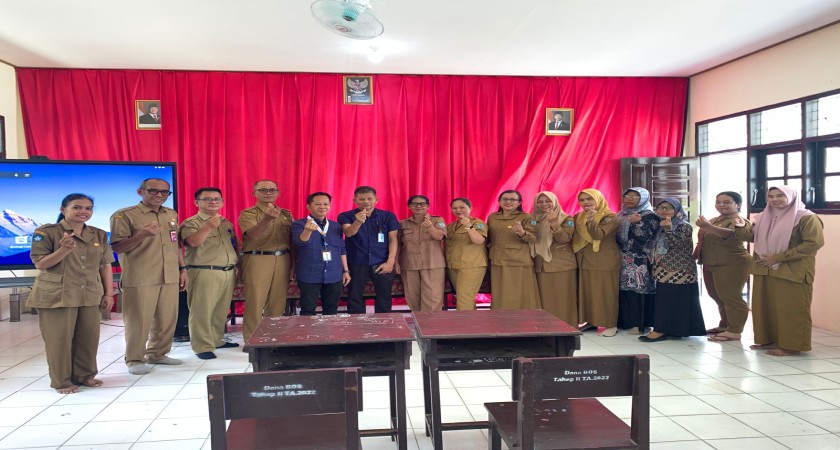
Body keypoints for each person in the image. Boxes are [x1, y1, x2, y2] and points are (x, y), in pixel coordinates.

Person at [28, 194, 114, 394]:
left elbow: (105, 265)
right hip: (57, 295)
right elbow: (41, 264)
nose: (83, 211)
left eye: (88, 208)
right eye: (77, 207)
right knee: (59, 340)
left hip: (89, 293)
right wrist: (64, 249)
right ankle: (62, 381)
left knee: (88, 339)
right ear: (63, 210)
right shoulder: (47, 232)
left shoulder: (98, 234)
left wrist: (108, 293)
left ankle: (85, 375)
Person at [733, 186, 824, 356]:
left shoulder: (806, 217)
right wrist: (740, 227)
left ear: (791, 196)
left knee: (791, 309)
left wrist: (779, 257)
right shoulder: (763, 217)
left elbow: (813, 244)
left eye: (780, 195)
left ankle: (792, 346)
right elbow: (752, 237)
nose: (775, 199)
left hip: (792, 271)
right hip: (764, 268)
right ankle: (769, 340)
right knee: (765, 308)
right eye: (771, 196)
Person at [111, 178, 188, 375]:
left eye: (165, 192)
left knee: (167, 319)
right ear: (141, 191)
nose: (159, 195)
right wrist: (142, 235)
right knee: (139, 321)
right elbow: (118, 247)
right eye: (154, 191)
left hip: (169, 274)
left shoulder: (170, 214)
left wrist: (183, 269)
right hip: (141, 276)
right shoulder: (124, 215)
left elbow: (175, 244)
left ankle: (158, 353)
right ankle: (135, 359)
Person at [180, 188, 239, 360]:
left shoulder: (226, 223)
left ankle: (216, 340)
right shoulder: (191, 222)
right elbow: (192, 242)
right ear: (196, 202)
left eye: (217, 199)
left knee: (220, 309)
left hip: (227, 271)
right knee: (201, 310)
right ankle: (202, 346)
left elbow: (234, 245)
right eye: (208, 199)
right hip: (204, 271)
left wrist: (239, 266)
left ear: (222, 202)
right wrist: (207, 227)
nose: (213, 202)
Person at [639, 198, 705, 342]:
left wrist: (668, 230)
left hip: (680, 270)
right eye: (660, 207)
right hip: (663, 269)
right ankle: (673, 330)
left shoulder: (683, 226)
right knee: (667, 300)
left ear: (677, 210)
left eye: (668, 208)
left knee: (672, 300)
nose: (663, 210)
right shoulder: (659, 225)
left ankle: (660, 330)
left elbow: (678, 245)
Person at [237, 180, 293, 341]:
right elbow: (253, 235)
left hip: (283, 259)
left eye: (272, 190)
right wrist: (267, 219)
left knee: (278, 302)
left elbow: (291, 241)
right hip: (258, 258)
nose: (268, 193)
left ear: (278, 193)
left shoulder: (285, 214)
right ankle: (252, 340)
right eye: (263, 190)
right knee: (255, 301)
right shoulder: (248, 213)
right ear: (254, 193)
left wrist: (293, 265)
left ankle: (272, 338)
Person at [695, 191, 752, 342]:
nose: (721, 205)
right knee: (717, 296)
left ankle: (735, 331)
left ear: (737, 205)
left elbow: (730, 234)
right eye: (718, 202)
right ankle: (725, 325)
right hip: (711, 262)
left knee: (732, 297)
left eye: (726, 202)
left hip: (732, 263)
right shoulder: (715, 220)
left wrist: (708, 226)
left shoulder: (739, 219)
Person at [338, 186, 400, 313]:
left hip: (381, 261)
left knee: (384, 298)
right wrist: (358, 221)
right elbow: (348, 233)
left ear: (376, 200)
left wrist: (390, 262)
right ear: (354, 201)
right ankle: (357, 323)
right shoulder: (346, 216)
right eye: (362, 199)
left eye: (369, 198)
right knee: (354, 297)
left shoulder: (388, 216)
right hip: (356, 262)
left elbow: (393, 239)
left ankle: (384, 323)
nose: (366, 202)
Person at [291, 192, 351, 315]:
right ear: (309, 206)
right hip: (309, 274)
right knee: (308, 310)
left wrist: (345, 271)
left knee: (331, 310)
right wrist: (307, 231)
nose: (322, 207)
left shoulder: (335, 226)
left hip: (334, 274)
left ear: (330, 206)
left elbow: (341, 249)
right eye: (318, 204)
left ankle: (328, 329)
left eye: (325, 204)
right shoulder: (299, 224)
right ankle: (308, 329)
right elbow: (299, 242)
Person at [573, 189, 620, 337]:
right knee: (588, 292)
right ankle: (591, 321)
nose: (585, 202)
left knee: (606, 292)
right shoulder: (578, 217)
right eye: (582, 200)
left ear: (598, 199)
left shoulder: (610, 217)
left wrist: (592, 220)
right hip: (584, 259)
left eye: (589, 199)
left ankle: (611, 324)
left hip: (604, 260)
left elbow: (598, 235)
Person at [486, 190, 541, 309]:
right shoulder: (492, 217)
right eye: (505, 199)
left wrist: (522, 233)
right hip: (497, 259)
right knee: (500, 293)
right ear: (499, 201)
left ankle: (522, 318)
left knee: (519, 293)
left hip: (518, 261)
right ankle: (501, 318)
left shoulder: (526, 217)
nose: (508, 202)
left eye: (513, 199)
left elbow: (534, 238)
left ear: (519, 202)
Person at [616, 187, 659, 335]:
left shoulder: (649, 216)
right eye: (627, 196)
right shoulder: (620, 214)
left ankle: (641, 324)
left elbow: (647, 237)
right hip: (623, 258)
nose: (630, 198)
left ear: (644, 199)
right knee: (625, 289)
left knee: (639, 289)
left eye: (635, 196)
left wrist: (636, 224)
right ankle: (626, 322)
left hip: (641, 260)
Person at [532, 191, 577, 324]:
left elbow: (564, 239)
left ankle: (566, 326)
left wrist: (554, 223)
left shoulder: (566, 218)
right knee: (545, 299)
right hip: (540, 264)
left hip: (560, 264)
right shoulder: (533, 219)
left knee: (563, 298)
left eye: (548, 201)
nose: (544, 204)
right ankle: (547, 327)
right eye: (540, 201)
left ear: (555, 202)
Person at [398, 195, 447, 311]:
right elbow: (397, 245)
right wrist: (395, 262)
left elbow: (439, 237)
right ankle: (418, 321)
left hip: (432, 264)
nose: (418, 206)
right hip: (409, 265)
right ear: (409, 206)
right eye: (415, 204)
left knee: (432, 299)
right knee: (412, 298)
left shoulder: (437, 220)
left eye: (422, 204)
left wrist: (430, 227)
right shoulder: (402, 224)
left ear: (428, 206)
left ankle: (430, 323)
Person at [445, 198, 488, 310]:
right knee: (464, 298)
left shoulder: (478, 223)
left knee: (464, 299)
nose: (458, 210)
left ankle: (463, 321)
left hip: (471, 265)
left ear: (470, 208)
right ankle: (472, 320)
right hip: (453, 265)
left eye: (462, 207)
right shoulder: (451, 226)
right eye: (454, 208)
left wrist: (469, 226)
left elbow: (479, 241)